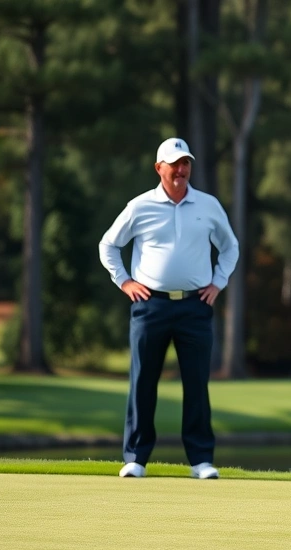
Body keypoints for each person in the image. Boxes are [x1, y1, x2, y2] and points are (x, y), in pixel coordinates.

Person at [99, 137, 239, 480]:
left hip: (195, 306)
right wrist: (125, 282)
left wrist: (218, 282)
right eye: (174, 164)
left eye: (185, 163)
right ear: (158, 168)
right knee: (143, 381)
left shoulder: (207, 205)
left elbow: (230, 246)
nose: (180, 170)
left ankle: (201, 460)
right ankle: (135, 457)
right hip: (150, 306)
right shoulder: (140, 206)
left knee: (196, 384)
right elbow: (109, 245)